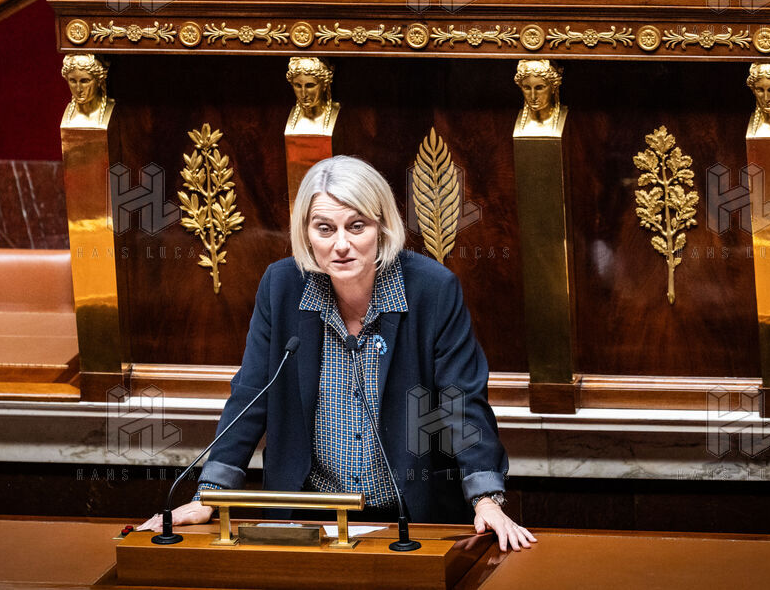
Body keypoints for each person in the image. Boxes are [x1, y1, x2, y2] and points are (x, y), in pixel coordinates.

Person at [144, 155, 535, 552]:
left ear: (382, 226)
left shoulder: (431, 290)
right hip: (309, 515)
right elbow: (251, 394)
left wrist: (485, 498)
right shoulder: (282, 287)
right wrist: (211, 493)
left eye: (357, 226)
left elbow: (460, 401)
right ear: (306, 233)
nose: (341, 245)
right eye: (325, 228)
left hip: (410, 517)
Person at [60, 54, 112, 125]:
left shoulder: (112, 110)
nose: (78, 89)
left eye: (84, 81)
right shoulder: (68, 115)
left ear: (99, 80)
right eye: (73, 81)